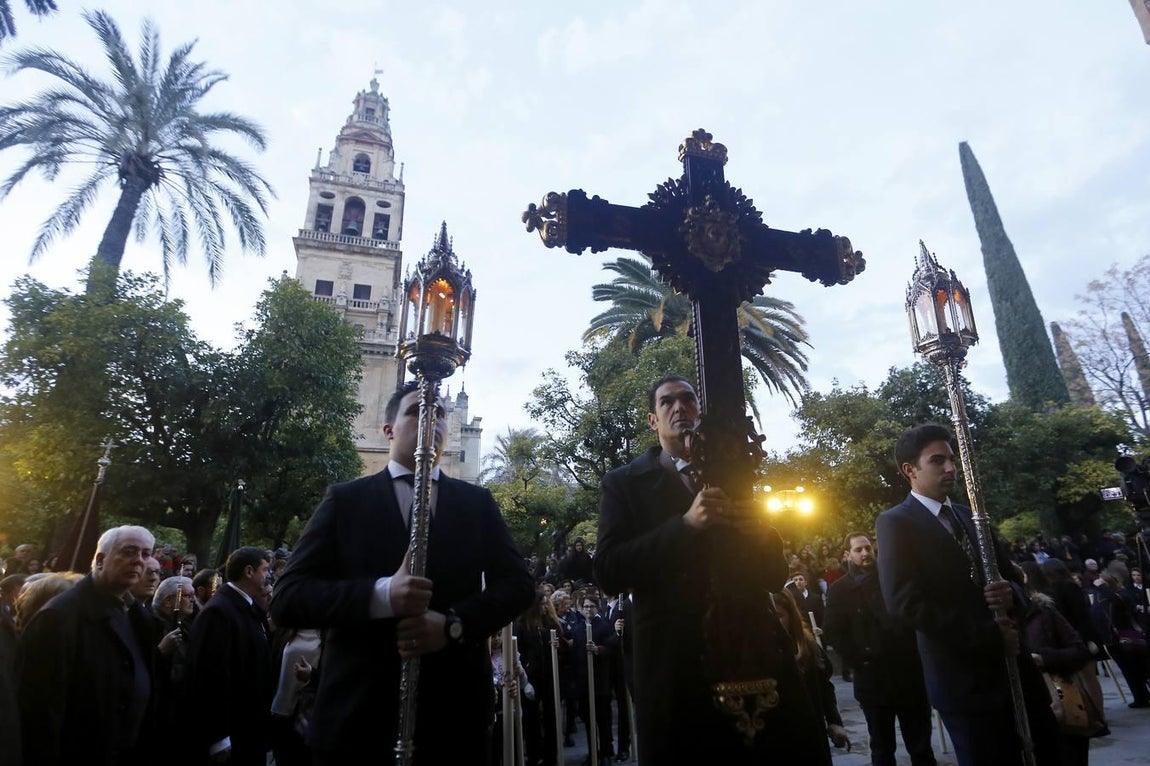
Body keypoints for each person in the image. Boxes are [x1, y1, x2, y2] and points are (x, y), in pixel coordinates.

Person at [269, 381, 534, 764]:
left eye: (441, 413)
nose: (432, 419)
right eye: (416, 410)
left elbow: (519, 585)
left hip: (453, 720)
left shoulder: (477, 503)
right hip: (357, 719)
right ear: (389, 429)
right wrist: (381, 595)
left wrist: (452, 626)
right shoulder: (345, 500)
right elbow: (288, 598)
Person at [594, 374, 830, 764]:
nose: (679, 408)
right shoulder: (624, 484)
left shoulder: (737, 477)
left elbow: (772, 576)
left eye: (688, 399)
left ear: (700, 412)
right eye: (667, 402)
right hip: (674, 664)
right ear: (652, 420)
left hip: (750, 655)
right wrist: (684, 526)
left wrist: (762, 534)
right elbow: (607, 570)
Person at [876, 423, 1059, 766]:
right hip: (966, 683)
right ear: (909, 470)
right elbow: (905, 605)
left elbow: (1012, 578)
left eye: (952, 459)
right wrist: (988, 635)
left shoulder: (972, 516)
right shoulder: (896, 523)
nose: (950, 468)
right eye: (937, 461)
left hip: (1017, 672)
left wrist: (1013, 595)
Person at [16, 525, 155, 766]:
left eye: (145, 553)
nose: (138, 561)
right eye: (129, 551)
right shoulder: (59, 617)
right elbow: (39, 712)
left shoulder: (133, 615)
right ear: (100, 560)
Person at [823, 532, 936, 766]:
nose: (865, 553)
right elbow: (833, 632)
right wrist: (859, 659)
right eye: (858, 550)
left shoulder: (893, 578)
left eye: (868, 548)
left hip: (908, 675)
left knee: (921, 746)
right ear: (847, 555)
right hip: (872, 679)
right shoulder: (839, 590)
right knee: (882, 747)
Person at [185, 546, 276, 766]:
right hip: (234, 730)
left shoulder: (247, 607)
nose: (268, 576)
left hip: (251, 724)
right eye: (264, 570)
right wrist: (218, 736)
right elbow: (210, 676)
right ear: (248, 571)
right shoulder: (219, 612)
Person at [771, 589, 851, 753]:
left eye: (779, 616)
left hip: (811, 733)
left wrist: (834, 721)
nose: (773, 623)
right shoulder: (758, 653)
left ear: (791, 617)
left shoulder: (808, 648)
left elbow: (824, 687)